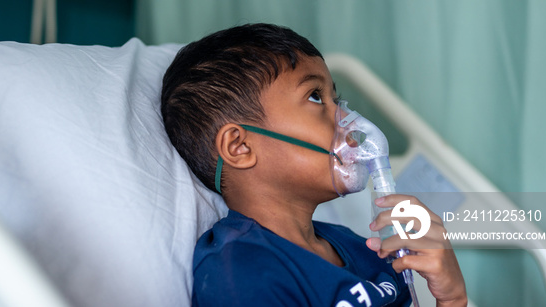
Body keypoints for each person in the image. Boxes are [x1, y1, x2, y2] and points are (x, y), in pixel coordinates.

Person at [161, 23, 467, 306]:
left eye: (337, 99)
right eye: (316, 97)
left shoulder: (362, 248)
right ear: (239, 147)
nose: (349, 121)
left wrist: (452, 298)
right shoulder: (243, 271)